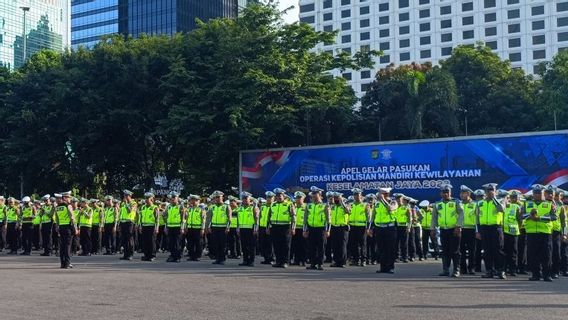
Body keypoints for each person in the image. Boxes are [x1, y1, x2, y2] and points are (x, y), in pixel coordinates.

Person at [522, 184, 557, 281]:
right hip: (531, 233)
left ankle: (547, 275)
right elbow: (521, 216)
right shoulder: (526, 204)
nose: (537, 195)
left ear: (543, 194)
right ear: (533, 194)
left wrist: (540, 218)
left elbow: (554, 217)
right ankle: (535, 274)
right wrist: (530, 215)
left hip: (545, 232)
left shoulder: (550, 204)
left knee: (546, 254)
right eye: (535, 193)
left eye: (539, 193)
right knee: (533, 254)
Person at [431, 184, 464, 277]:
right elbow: (434, 217)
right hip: (443, 230)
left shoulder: (456, 202)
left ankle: (456, 270)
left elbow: (461, 214)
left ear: (450, 193)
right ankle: (445, 270)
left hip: (454, 230)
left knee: (455, 251)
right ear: (440, 193)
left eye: (447, 192)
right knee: (445, 251)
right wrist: (432, 228)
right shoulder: (437, 204)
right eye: (443, 192)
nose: (445, 194)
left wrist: (458, 226)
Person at [476, 183, 506, 279]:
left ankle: (500, 271)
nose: (490, 192)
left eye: (492, 190)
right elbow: (477, 217)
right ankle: (489, 270)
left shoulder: (500, 200)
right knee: (487, 251)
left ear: (495, 191)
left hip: (496, 228)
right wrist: (478, 231)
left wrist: (494, 199)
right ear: (485, 192)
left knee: (498, 250)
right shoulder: (480, 203)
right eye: (488, 190)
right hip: (484, 228)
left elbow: (501, 209)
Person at [267, 188, 296, 268]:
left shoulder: (289, 204)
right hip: (275, 227)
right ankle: (278, 261)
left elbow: (293, 216)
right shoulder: (273, 204)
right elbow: (269, 217)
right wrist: (268, 227)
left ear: (284, 196)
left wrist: (293, 228)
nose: (278, 197)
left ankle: (285, 261)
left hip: (285, 227)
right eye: (277, 195)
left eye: (280, 195)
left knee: (285, 245)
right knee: (276, 245)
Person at [304, 186, 331, 270]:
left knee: (321, 247)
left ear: (320, 195)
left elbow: (328, 219)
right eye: (313, 194)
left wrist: (327, 230)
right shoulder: (309, 206)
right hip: (311, 229)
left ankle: (320, 264)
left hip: (321, 229)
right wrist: (305, 230)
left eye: (316, 194)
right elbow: (305, 219)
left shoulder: (325, 205)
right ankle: (313, 263)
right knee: (311, 247)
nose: (314, 196)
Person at [372, 187, 398, 274]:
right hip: (379, 228)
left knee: (390, 248)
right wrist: (371, 227)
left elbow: (390, 208)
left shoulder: (393, 202)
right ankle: (383, 267)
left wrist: (383, 200)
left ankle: (390, 267)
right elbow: (374, 215)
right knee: (381, 248)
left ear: (387, 194)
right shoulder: (377, 203)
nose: (379, 195)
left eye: (382, 193)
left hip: (389, 227)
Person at [207, 191, 232, 265]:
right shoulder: (212, 207)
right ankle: (217, 258)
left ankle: (222, 259)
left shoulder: (226, 206)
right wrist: (208, 227)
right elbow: (209, 218)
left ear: (222, 197)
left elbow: (229, 218)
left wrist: (227, 227)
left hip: (223, 228)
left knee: (223, 244)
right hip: (214, 227)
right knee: (216, 244)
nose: (217, 199)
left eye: (218, 197)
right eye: (216, 197)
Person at [55, 191, 78, 269]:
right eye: (69, 197)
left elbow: (57, 219)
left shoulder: (58, 207)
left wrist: (57, 227)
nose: (70, 199)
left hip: (61, 227)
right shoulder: (68, 206)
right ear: (64, 198)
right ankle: (67, 263)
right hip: (68, 227)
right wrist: (75, 228)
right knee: (68, 246)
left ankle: (62, 263)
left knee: (62, 246)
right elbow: (72, 217)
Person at [348, 188, 370, 266]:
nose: (356, 196)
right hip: (352, 227)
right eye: (355, 194)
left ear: (361, 195)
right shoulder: (351, 204)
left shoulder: (365, 204)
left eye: (358, 194)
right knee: (354, 244)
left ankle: (363, 260)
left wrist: (368, 228)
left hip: (362, 227)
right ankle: (356, 260)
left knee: (363, 244)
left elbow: (368, 217)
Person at [237, 192, 259, 266]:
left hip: (251, 229)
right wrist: (238, 229)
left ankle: (251, 261)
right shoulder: (240, 208)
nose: (245, 200)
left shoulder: (253, 208)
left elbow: (256, 219)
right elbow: (238, 219)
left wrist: (255, 229)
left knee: (251, 246)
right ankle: (245, 260)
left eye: (246, 199)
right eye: (243, 199)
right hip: (242, 229)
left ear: (250, 199)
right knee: (244, 246)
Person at [502, 190, 522, 277]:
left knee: (513, 252)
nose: (513, 199)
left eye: (515, 197)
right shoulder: (502, 207)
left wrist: (518, 228)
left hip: (513, 232)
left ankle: (513, 269)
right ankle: (504, 269)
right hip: (503, 232)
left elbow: (520, 220)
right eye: (511, 197)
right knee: (503, 251)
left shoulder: (516, 207)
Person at [459, 185, 477, 275]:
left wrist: (477, 231)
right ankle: (463, 268)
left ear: (468, 194)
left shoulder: (474, 204)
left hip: (471, 230)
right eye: (461, 193)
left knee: (471, 250)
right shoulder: (459, 204)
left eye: (463, 193)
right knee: (461, 250)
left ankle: (471, 268)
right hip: (461, 230)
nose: (461, 195)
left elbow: (477, 219)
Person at [329, 192, 350, 268]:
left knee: (342, 245)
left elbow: (348, 211)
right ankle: (336, 261)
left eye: (337, 198)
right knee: (335, 245)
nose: (335, 199)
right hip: (334, 227)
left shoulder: (346, 204)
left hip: (343, 227)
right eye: (335, 198)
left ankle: (342, 262)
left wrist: (342, 202)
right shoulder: (333, 206)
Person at [549, 185, 565, 279]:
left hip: (556, 231)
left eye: (556, 195)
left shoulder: (561, 206)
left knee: (556, 252)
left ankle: (555, 271)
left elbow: (564, 221)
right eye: (554, 195)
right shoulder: (545, 203)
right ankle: (546, 270)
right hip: (546, 230)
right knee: (547, 252)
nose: (555, 197)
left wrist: (564, 233)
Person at [165, 192, 186, 262]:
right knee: (171, 243)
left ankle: (177, 257)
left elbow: (183, 218)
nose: (172, 199)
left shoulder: (181, 207)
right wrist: (166, 226)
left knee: (177, 243)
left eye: (174, 197)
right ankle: (172, 255)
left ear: (177, 198)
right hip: (170, 227)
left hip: (177, 227)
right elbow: (165, 216)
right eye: (171, 198)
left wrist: (182, 227)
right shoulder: (169, 207)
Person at [139, 192, 159, 261]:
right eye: (145, 198)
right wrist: (140, 226)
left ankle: (152, 255)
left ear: (152, 199)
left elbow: (157, 219)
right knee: (145, 241)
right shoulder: (143, 207)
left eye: (148, 198)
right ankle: (146, 255)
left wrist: (156, 228)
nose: (146, 199)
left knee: (152, 241)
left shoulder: (155, 207)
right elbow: (141, 218)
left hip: (152, 226)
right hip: (144, 226)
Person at [186, 195, 206, 261]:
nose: (193, 201)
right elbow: (186, 219)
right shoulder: (189, 209)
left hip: (198, 228)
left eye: (195, 200)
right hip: (190, 228)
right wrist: (186, 227)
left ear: (198, 201)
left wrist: (202, 229)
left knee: (198, 243)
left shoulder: (201, 209)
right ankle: (191, 255)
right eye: (192, 200)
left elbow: (203, 220)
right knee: (190, 243)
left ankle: (197, 255)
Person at [119, 190, 138, 261]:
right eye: (124, 195)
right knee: (124, 239)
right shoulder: (123, 203)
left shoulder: (133, 203)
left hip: (129, 222)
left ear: (130, 196)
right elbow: (121, 213)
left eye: (126, 195)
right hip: (123, 222)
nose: (125, 197)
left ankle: (130, 254)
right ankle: (125, 254)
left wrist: (127, 203)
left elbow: (130, 211)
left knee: (129, 239)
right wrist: (119, 223)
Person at [290, 191, 307, 266]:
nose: (298, 199)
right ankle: (296, 260)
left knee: (303, 246)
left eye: (299, 198)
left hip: (302, 229)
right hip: (294, 229)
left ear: (303, 198)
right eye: (296, 198)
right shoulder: (293, 207)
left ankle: (303, 260)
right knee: (294, 245)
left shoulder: (306, 207)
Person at [394, 194, 411, 263]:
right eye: (397, 198)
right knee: (396, 243)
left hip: (404, 226)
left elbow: (410, 218)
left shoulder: (406, 207)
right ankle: (397, 257)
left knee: (404, 243)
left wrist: (409, 227)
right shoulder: (394, 207)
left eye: (400, 198)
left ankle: (405, 257)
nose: (398, 200)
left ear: (403, 199)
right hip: (396, 226)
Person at [259, 192, 275, 264]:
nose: (268, 199)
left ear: (273, 198)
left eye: (270, 197)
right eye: (268, 197)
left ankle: (271, 258)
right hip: (262, 226)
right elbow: (260, 216)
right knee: (263, 243)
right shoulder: (263, 206)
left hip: (270, 227)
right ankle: (266, 258)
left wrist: (269, 226)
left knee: (270, 244)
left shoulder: (274, 206)